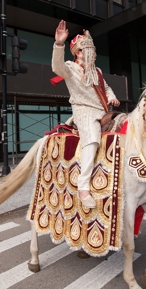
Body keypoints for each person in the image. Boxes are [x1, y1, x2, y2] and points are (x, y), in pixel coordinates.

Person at [52, 20, 120, 209]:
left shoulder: (96, 71)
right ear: (77, 52)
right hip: (83, 110)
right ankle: (83, 188)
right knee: (92, 136)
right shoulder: (70, 67)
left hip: (103, 110)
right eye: (84, 50)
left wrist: (112, 97)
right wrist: (59, 44)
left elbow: (106, 88)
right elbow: (57, 68)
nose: (89, 53)